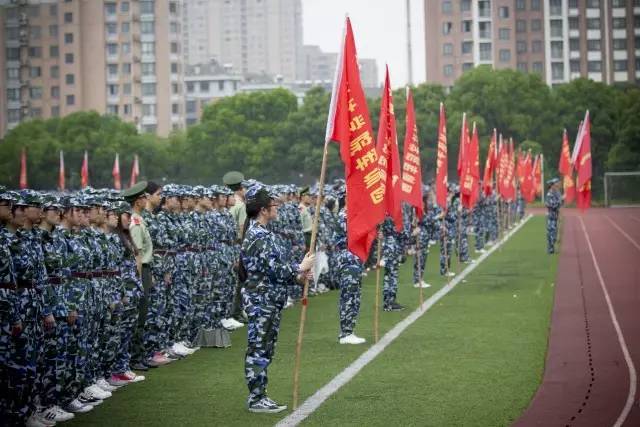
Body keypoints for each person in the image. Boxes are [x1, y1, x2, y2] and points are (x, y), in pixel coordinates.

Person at [239, 185, 315, 413]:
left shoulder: (263, 234)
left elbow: (277, 268)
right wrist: (300, 268)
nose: (277, 208)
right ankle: (256, 398)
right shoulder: (258, 236)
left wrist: (300, 275)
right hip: (261, 301)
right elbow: (276, 269)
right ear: (263, 209)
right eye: (273, 205)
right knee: (259, 349)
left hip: (270, 300)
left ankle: (260, 394)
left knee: (266, 348)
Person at [121, 182, 156, 370]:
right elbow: (137, 254)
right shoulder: (134, 221)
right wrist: (139, 279)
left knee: (143, 314)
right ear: (137, 201)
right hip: (140, 270)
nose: (146, 200)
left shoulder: (139, 219)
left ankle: (139, 355)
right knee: (139, 315)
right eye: (143, 197)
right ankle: (135, 357)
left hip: (146, 269)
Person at [223, 171, 248, 325]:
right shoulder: (240, 206)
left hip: (227, 247)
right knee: (237, 282)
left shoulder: (229, 205)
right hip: (236, 246)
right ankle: (235, 313)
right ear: (240, 188)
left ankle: (233, 313)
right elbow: (242, 229)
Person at [545, 178, 563, 254]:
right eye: (556, 184)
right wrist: (559, 201)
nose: (557, 185)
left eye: (557, 184)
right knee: (550, 233)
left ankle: (552, 248)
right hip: (551, 216)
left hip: (556, 216)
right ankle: (550, 249)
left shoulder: (558, 193)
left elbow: (560, 204)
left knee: (555, 234)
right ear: (552, 185)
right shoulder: (549, 194)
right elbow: (551, 205)